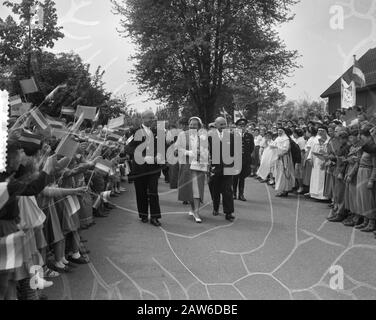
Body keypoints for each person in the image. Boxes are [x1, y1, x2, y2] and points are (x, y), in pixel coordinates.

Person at [126, 110, 163, 227]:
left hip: (154, 168)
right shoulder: (135, 131)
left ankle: (155, 216)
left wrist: (159, 155)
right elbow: (128, 148)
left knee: (153, 192)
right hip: (140, 168)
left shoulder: (158, 132)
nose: (153, 120)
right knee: (141, 191)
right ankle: (143, 214)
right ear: (143, 119)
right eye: (150, 118)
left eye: (153, 118)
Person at [176, 117, 208, 223]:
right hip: (187, 166)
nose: (192, 126)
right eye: (190, 124)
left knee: (197, 189)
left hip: (199, 166)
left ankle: (196, 212)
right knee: (190, 189)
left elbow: (207, 150)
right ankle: (193, 208)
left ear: (199, 126)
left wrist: (202, 154)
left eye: (195, 124)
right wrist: (188, 152)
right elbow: (177, 149)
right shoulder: (182, 135)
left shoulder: (203, 136)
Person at [208, 117, 235, 221]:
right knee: (215, 190)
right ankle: (215, 208)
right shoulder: (210, 137)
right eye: (221, 124)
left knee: (227, 191)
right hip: (215, 169)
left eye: (224, 124)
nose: (223, 126)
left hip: (228, 168)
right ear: (216, 125)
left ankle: (228, 212)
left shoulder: (232, 137)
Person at [233, 119, 254, 201]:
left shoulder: (249, 136)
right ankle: (234, 193)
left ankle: (241, 194)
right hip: (235, 159)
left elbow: (251, 148)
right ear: (237, 126)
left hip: (245, 159)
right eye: (240, 126)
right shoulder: (233, 135)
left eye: (243, 126)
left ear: (245, 127)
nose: (242, 127)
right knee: (234, 177)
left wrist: (246, 156)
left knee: (242, 177)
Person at [269, 128, 295, 197]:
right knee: (278, 174)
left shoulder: (286, 139)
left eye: (281, 131)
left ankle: (284, 190)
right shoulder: (278, 138)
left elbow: (285, 149)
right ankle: (280, 189)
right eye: (278, 131)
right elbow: (273, 145)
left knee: (283, 174)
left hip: (284, 158)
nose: (279, 132)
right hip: (278, 158)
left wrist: (277, 147)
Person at [308, 126, 330, 200]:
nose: (320, 132)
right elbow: (311, 149)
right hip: (315, 160)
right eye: (319, 130)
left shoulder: (328, 140)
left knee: (322, 178)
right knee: (315, 177)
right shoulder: (315, 139)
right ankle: (314, 194)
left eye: (322, 130)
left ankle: (322, 196)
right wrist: (310, 158)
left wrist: (325, 161)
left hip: (323, 160)